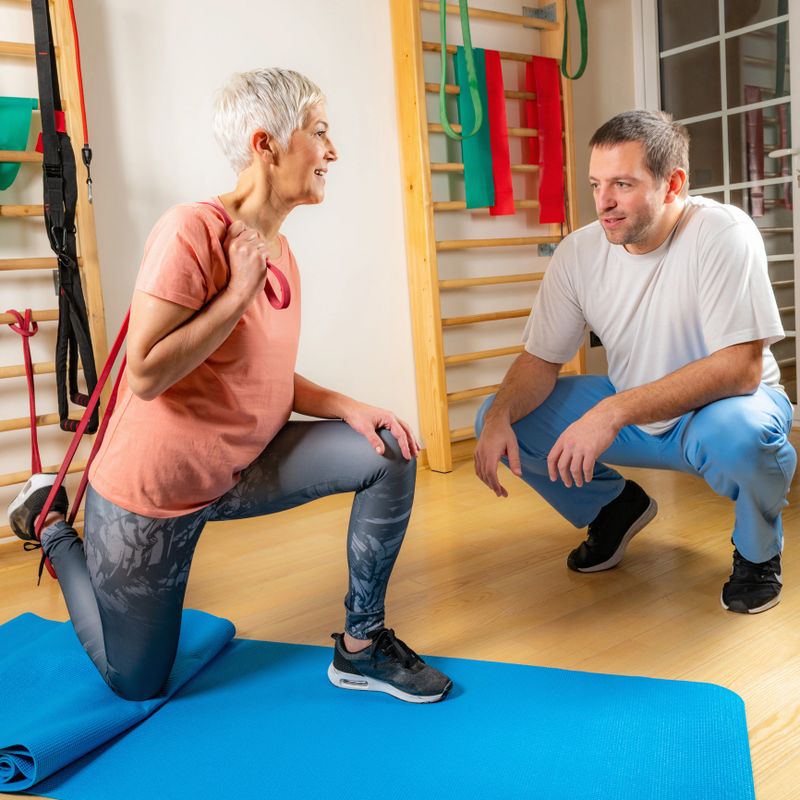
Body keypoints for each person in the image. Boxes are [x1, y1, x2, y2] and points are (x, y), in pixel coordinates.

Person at [9, 68, 452, 703]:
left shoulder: (282, 249)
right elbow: (147, 371)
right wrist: (237, 291)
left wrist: (351, 407)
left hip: (242, 466)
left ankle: (360, 647)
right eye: (320, 133)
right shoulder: (190, 231)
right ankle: (53, 525)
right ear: (266, 143)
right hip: (154, 491)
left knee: (388, 448)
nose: (333, 152)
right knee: (136, 683)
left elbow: (259, 375)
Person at [474, 109, 796, 614]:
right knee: (504, 414)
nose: (603, 202)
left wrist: (613, 411)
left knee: (743, 435)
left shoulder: (723, 232)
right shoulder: (578, 253)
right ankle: (613, 507)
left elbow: (741, 368)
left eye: (622, 184)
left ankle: (758, 553)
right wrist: (497, 418)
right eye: (597, 184)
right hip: (634, 410)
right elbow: (540, 359)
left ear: (673, 185)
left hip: (721, 411)